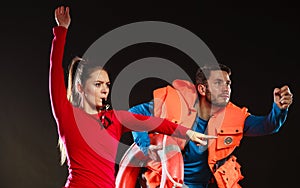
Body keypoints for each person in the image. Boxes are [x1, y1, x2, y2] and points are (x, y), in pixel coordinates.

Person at [49, 6, 217, 188]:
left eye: (107, 85)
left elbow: (153, 122)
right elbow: (54, 70)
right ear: (80, 88)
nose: (105, 90)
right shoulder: (68, 116)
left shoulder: (115, 119)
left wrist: (189, 133)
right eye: (98, 85)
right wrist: (61, 31)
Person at [127, 63, 293, 187]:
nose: (226, 88)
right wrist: (145, 147)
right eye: (218, 83)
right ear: (202, 89)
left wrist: (279, 108)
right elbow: (134, 114)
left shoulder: (234, 116)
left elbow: (267, 125)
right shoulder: (175, 102)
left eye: (228, 83)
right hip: (165, 181)